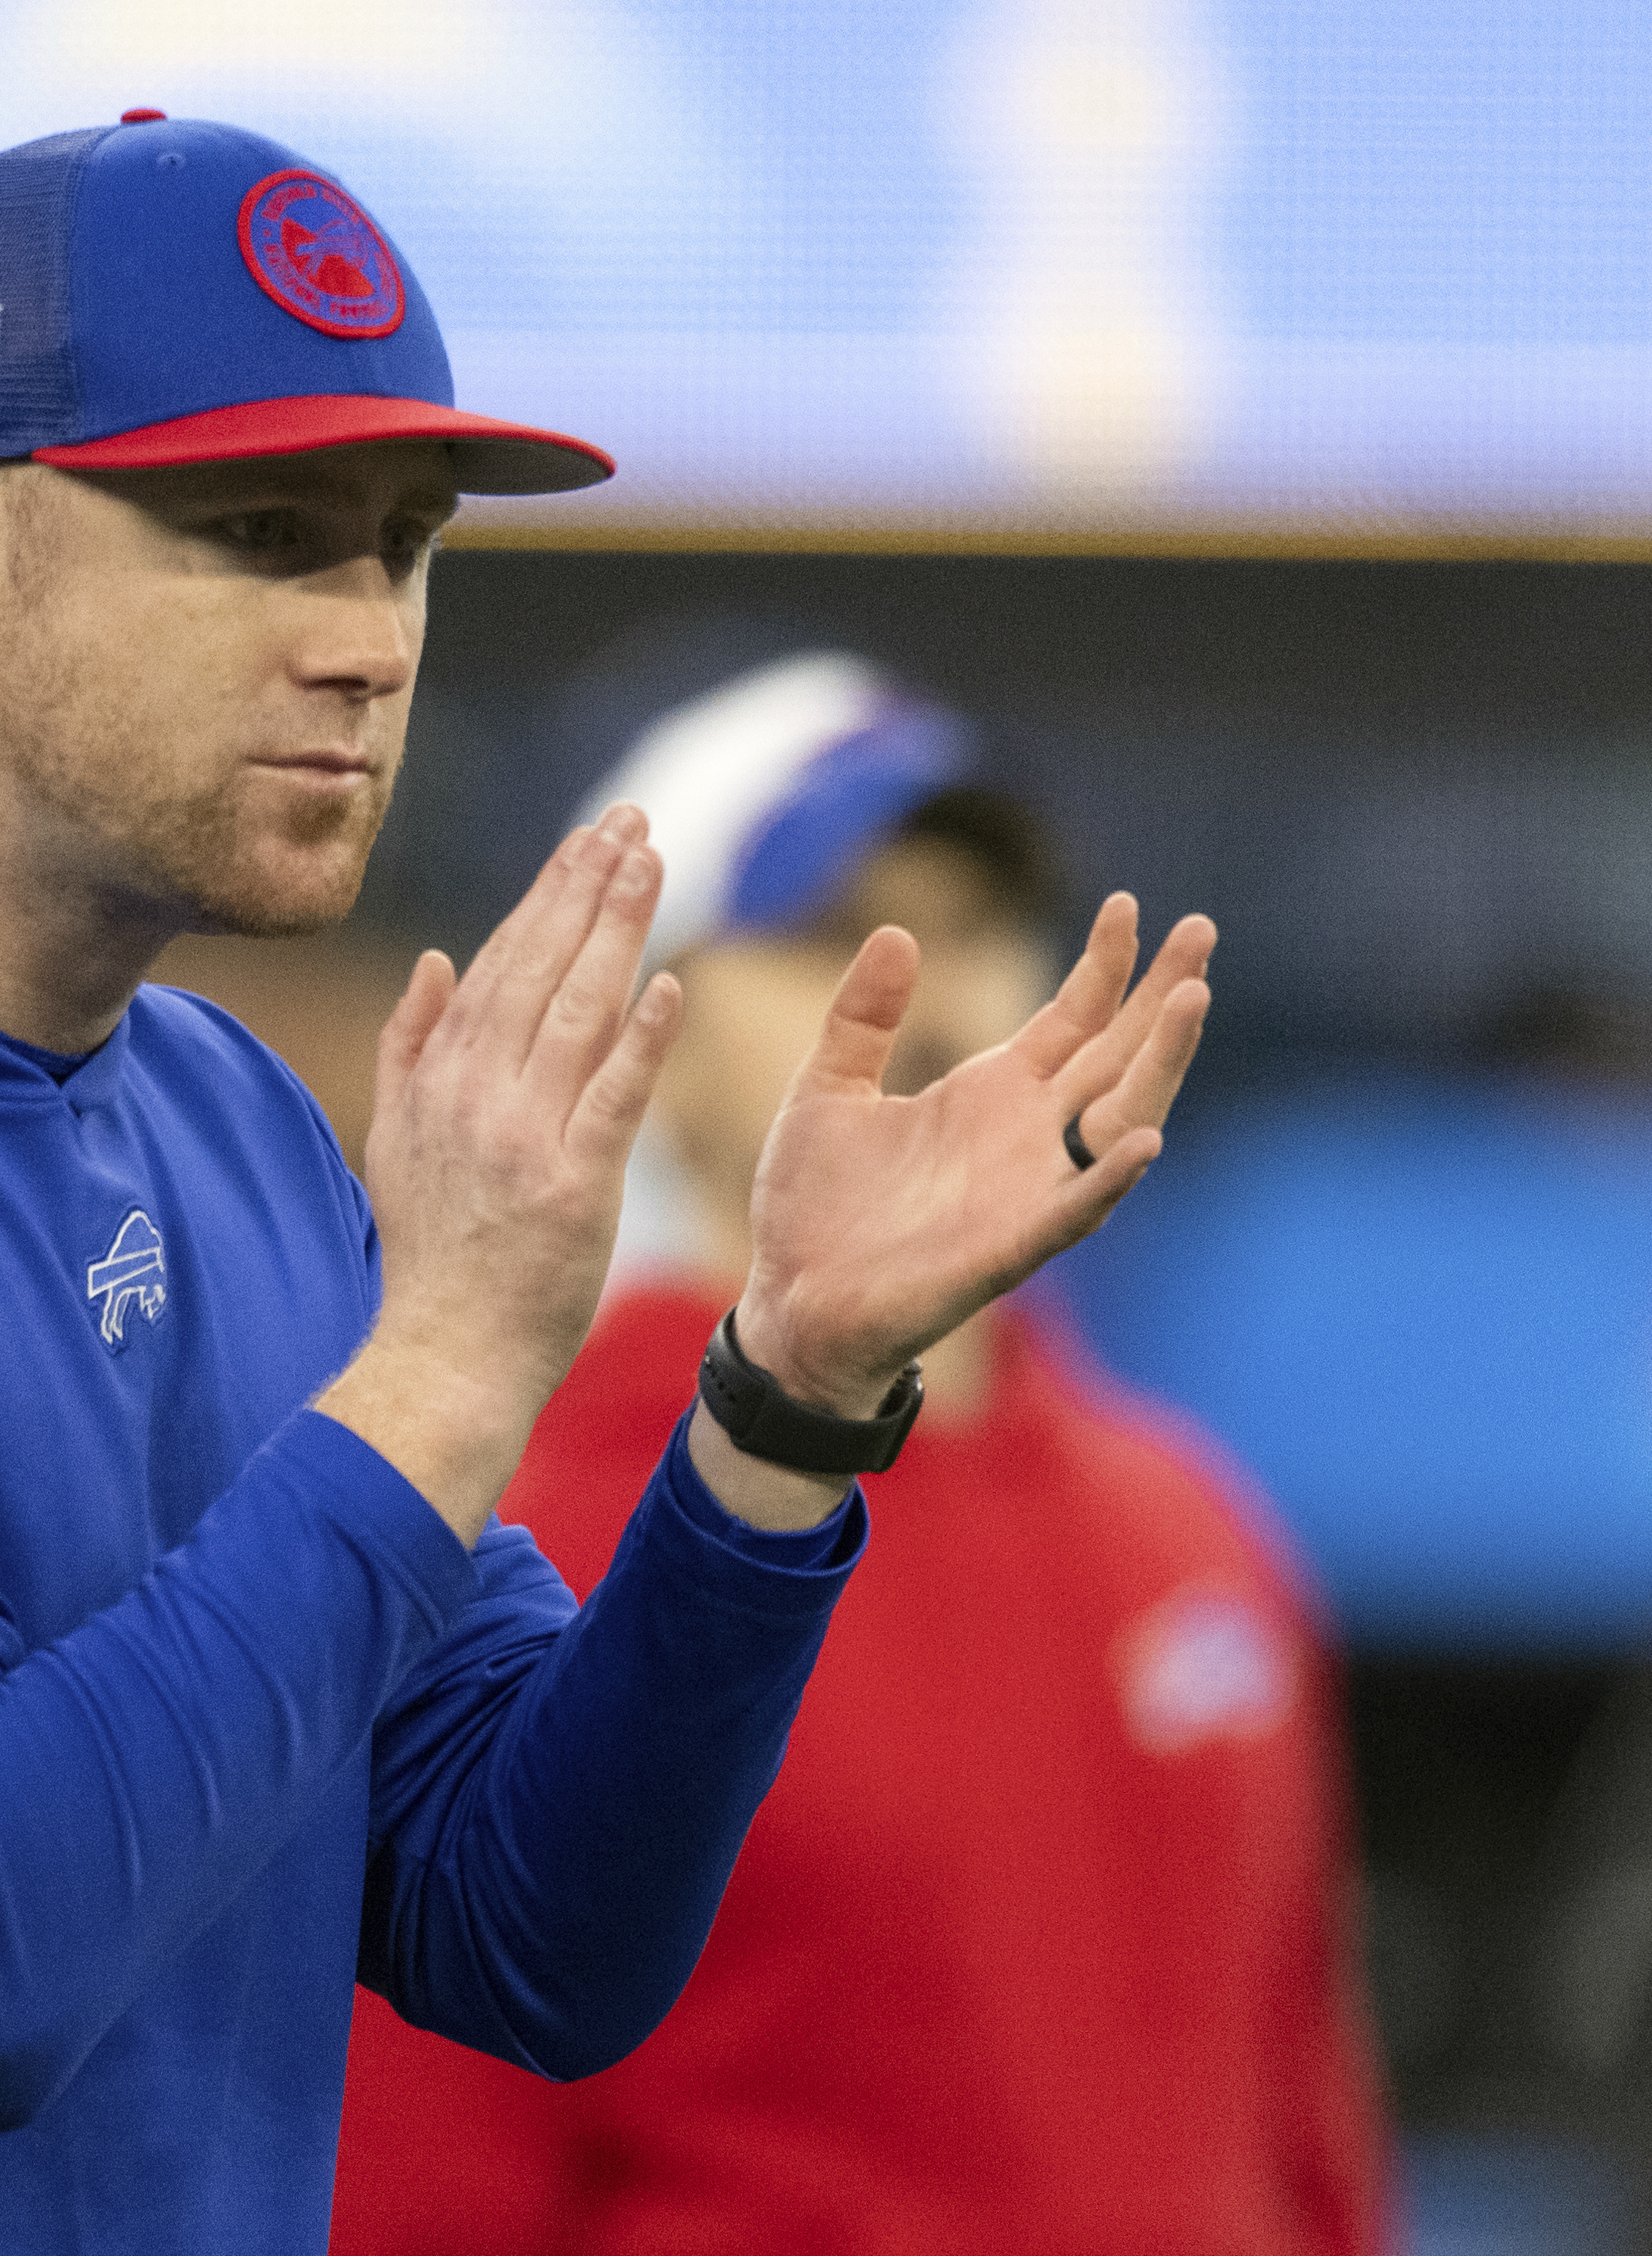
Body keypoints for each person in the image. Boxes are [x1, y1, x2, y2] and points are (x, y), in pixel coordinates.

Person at [0, 116, 1216, 2256]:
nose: (367, 638)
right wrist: (451, 1352)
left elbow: (525, 1930)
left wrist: (779, 1412)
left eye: (397, 544)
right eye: (258, 532)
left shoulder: (212, 1112)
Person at [331, 651, 1387, 2255]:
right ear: (647, 1038)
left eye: (974, 930)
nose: (942, 1002)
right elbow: (421, 2187)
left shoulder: (1196, 1536)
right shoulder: (502, 1539)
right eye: (836, 939)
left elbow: (1307, 2135)